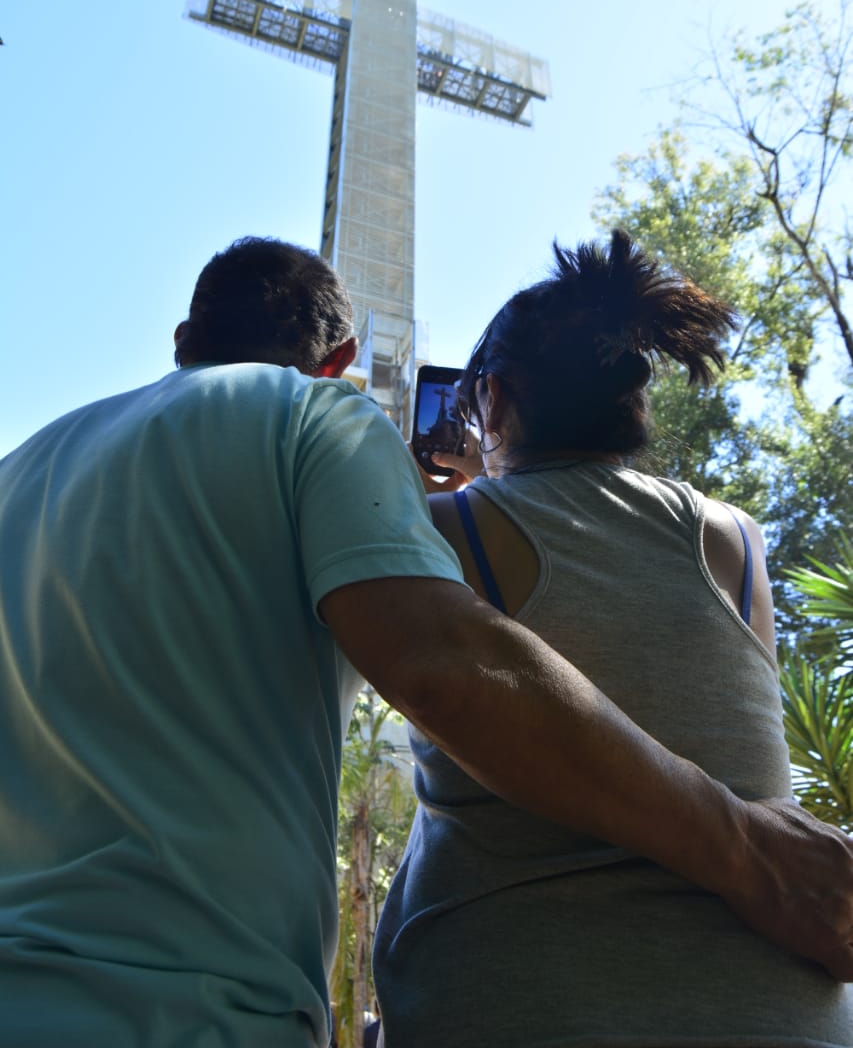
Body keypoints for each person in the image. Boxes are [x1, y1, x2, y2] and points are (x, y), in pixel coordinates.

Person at [0, 236, 851, 1048]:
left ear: (185, 339)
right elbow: (445, 661)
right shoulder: (731, 536)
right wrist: (749, 853)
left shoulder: (19, 471)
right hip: (199, 1003)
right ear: (338, 367)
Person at [373, 229, 853, 1047]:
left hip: (530, 1007)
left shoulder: (440, 530)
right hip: (781, 1017)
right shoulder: (733, 536)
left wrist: (445, 502)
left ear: (491, 399)